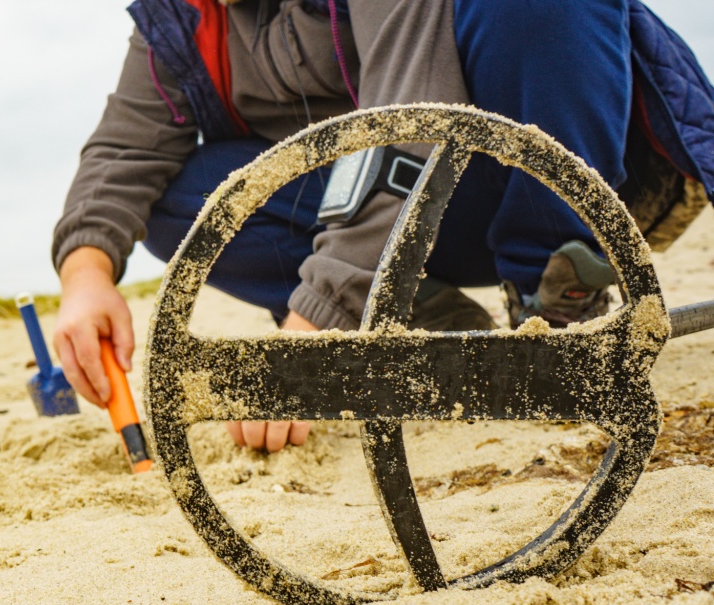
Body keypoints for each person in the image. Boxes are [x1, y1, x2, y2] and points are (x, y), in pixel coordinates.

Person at [51, 0, 714, 452]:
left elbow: (409, 123)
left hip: (554, 159)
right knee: (188, 201)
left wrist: (314, 334)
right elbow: (124, 150)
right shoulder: (179, 17)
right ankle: (418, 322)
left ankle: (555, 297)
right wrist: (85, 276)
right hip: (392, 219)